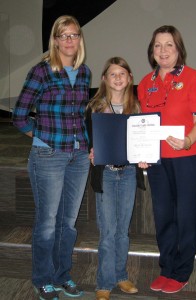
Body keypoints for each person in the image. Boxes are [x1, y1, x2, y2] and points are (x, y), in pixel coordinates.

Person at [12, 15, 91, 300]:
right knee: (47, 222)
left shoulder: (84, 73)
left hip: (79, 155)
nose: (70, 40)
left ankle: (62, 275)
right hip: (48, 156)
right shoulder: (41, 72)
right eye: (64, 35)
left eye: (74, 35)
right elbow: (19, 116)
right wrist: (42, 136)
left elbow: (79, 114)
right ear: (55, 40)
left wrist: (86, 143)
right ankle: (42, 278)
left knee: (67, 223)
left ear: (80, 39)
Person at [137, 25, 196, 294]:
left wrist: (188, 139)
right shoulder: (146, 83)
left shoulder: (194, 78)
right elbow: (142, 124)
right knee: (164, 215)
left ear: (179, 49)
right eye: (158, 45)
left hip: (189, 156)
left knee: (187, 214)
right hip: (158, 160)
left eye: (169, 45)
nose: (163, 50)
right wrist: (141, 153)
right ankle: (166, 268)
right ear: (151, 50)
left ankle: (182, 271)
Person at [86, 57, 145, 300]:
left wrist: (144, 157)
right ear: (104, 79)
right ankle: (104, 281)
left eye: (123, 73)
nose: (118, 78)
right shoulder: (95, 108)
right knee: (108, 231)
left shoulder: (137, 108)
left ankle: (120, 276)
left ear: (130, 78)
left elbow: (143, 142)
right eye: (113, 74)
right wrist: (90, 151)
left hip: (129, 173)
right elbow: (88, 141)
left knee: (123, 231)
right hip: (107, 175)